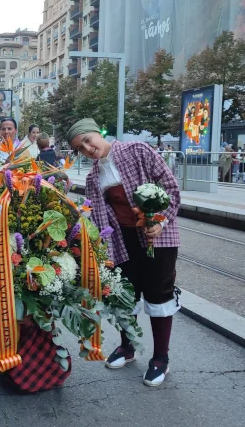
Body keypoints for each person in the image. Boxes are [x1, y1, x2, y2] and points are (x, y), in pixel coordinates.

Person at [66, 118, 181, 387]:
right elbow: (98, 216)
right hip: (122, 240)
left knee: (159, 293)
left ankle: (160, 358)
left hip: (158, 236)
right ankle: (128, 346)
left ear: (98, 133)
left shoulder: (137, 150)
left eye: (87, 140)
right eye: (80, 148)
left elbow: (171, 187)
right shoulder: (94, 177)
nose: (88, 148)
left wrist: (160, 220)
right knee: (124, 294)